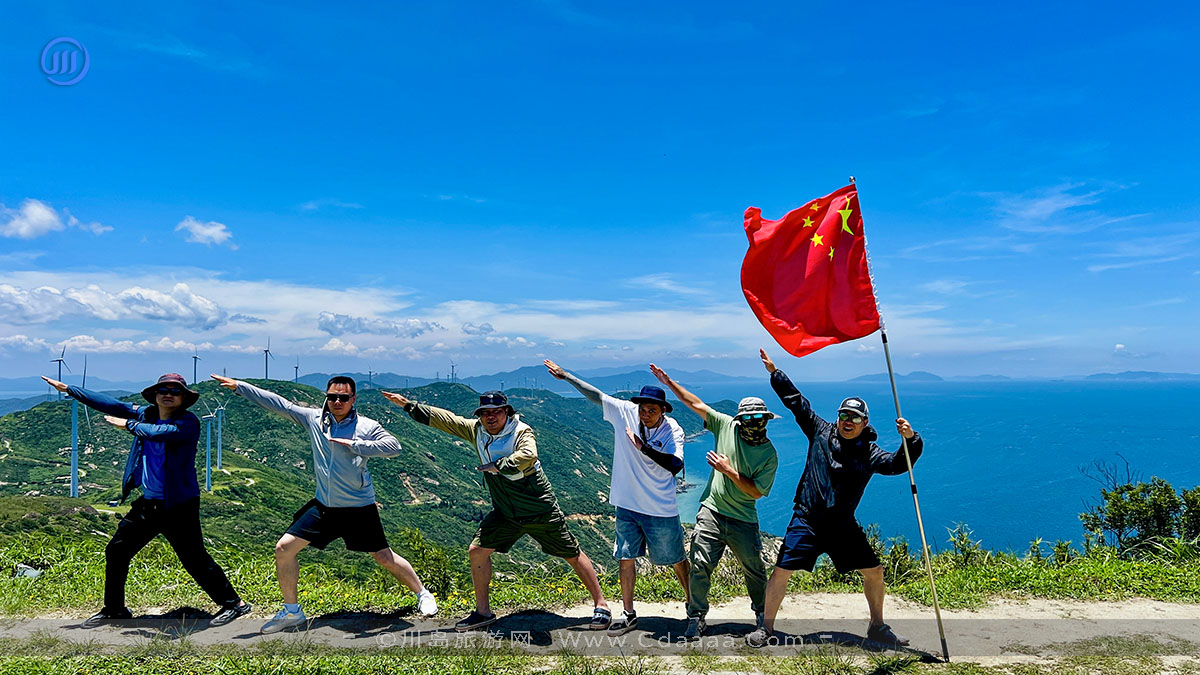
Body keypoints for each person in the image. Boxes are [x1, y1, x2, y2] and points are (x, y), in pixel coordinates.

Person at [211, 374, 437, 633]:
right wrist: (241, 387)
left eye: (343, 397)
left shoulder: (366, 425)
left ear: (353, 399)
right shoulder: (314, 420)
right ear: (326, 397)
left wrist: (356, 445)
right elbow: (281, 404)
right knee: (284, 548)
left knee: (384, 557)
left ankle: (422, 594)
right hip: (324, 506)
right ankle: (292, 611)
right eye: (332, 397)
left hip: (358, 507)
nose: (337, 402)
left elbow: (394, 447)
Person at [382, 389, 611, 632]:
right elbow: (447, 420)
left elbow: (529, 455)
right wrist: (409, 406)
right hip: (505, 510)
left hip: (537, 507)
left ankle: (602, 605)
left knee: (570, 552)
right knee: (477, 551)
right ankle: (483, 612)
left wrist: (499, 465)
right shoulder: (476, 430)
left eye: (496, 412)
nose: (490, 417)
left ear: (507, 413)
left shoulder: (521, 431)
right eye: (485, 413)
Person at [41, 373, 251, 628]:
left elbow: (161, 433)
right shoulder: (146, 414)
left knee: (194, 558)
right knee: (117, 550)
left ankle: (234, 604)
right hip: (149, 503)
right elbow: (112, 405)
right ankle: (114, 609)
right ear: (155, 394)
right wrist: (70, 389)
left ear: (183, 398)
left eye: (175, 391)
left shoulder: (188, 422)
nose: (168, 394)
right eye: (163, 390)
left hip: (179, 504)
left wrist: (128, 425)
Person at [748, 349, 924, 648]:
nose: (847, 421)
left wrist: (911, 440)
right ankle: (766, 628)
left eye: (854, 417)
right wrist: (775, 373)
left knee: (874, 572)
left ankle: (877, 626)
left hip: (842, 524)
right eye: (844, 415)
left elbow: (896, 465)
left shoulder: (870, 453)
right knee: (781, 572)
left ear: (864, 423)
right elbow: (797, 403)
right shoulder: (820, 431)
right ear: (838, 417)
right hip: (807, 518)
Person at [544, 360, 689, 635]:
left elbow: (675, 465)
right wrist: (567, 376)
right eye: (643, 409)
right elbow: (597, 396)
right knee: (626, 557)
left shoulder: (673, 429)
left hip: (660, 508)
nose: (645, 414)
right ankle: (629, 613)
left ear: (663, 411)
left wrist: (643, 448)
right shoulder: (626, 412)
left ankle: (693, 607)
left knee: (676, 559)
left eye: (652, 410)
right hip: (627, 504)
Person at [649, 364, 779, 641]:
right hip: (712, 509)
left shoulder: (769, 454)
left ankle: (762, 616)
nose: (753, 421)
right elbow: (694, 403)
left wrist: (728, 470)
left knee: (754, 570)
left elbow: (755, 492)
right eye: (749, 417)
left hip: (743, 517)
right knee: (700, 565)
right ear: (740, 419)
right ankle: (696, 617)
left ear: (766, 419)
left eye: (758, 417)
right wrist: (669, 382)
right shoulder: (726, 426)